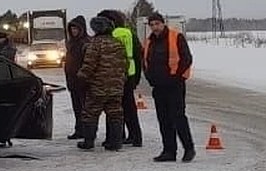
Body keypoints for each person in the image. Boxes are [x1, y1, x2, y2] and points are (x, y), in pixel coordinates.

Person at [142, 13, 195, 162]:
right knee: (163, 119)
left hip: (175, 86)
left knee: (178, 117)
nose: (154, 27)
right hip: (158, 87)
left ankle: (188, 148)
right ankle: (169, 151)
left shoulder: (176, 37)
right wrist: (149, 77)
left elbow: (186, 59)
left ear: (163, 23)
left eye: (157, 24)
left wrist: (176, 77)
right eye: (151, 25)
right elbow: (145, 61)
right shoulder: (149, 41)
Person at [75, 15, 128, 151]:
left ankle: (89, 141)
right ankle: (115, 142)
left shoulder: (94, 44)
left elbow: (89, 65)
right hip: (116, 86)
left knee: (91, 113)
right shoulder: (118, 43)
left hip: (98, 87)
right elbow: (124, 64)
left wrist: (80, 79)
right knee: (115, 114)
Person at [101, 8, 143, 148]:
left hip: (113, 75)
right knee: (129, 107)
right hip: (129, 74)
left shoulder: (109, 35)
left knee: (112, 107)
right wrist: (136, 76)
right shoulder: (129, 33)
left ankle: (115, 137)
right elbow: (138, 55)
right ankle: (135, 136)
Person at [63, 15, 89, 138]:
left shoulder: (85, 43)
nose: (74, 31)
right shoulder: (71, 43)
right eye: (72, 29)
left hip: (83, 81)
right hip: (72, 80)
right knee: (77, 108)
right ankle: (79, 129)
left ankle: (86, 130)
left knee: (85, 108)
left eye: (76, 29)